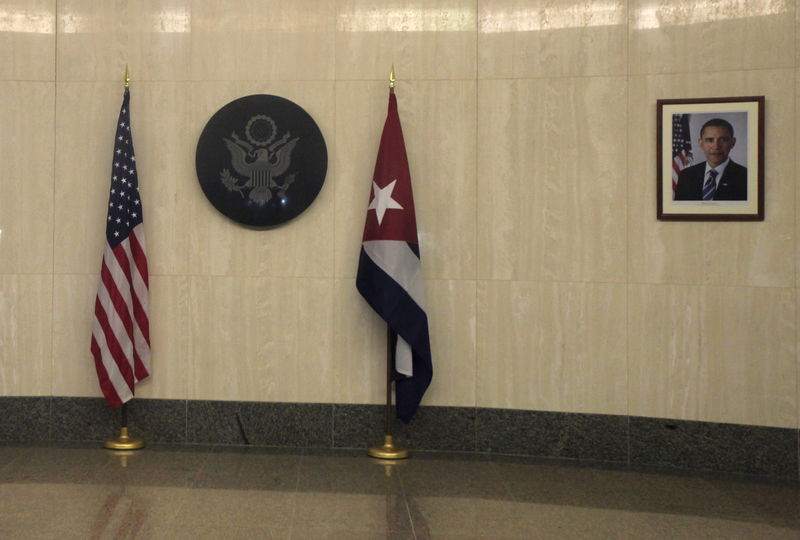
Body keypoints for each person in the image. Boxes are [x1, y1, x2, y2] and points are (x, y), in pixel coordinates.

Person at [674, 118, 747, 200]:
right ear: (701, 143)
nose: (716, 146)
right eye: (709, 140)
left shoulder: (746, 177)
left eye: (722, 140)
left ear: (732, 142)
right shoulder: (686, 176)